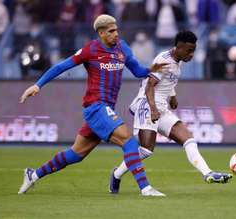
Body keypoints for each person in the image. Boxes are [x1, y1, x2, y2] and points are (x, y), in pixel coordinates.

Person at [18, 14, 168, 197]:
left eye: (117, 30)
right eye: (111, 31)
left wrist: (151, 70)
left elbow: (137, 71)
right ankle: (145, 188)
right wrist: (37, 85)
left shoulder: (123, 48)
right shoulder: (90, 50)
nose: (116, 34)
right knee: (128, 140)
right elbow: (61, 67)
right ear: (101, 33)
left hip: (106, 109)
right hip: (95, 107)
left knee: (76, 154)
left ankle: (32, 174)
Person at [109, 31, 233, 194]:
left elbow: (168, 80)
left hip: (161, 108)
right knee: (146, 150)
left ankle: (208, 173)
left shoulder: (177, 61)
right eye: (189, 50)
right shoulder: (164, 61)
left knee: (188, 139)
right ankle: (117, 174)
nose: (192, 54)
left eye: (193, 50)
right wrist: (153, 110)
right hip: (147, 105)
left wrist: (173, 96)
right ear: (179, 47)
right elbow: (149, 86)